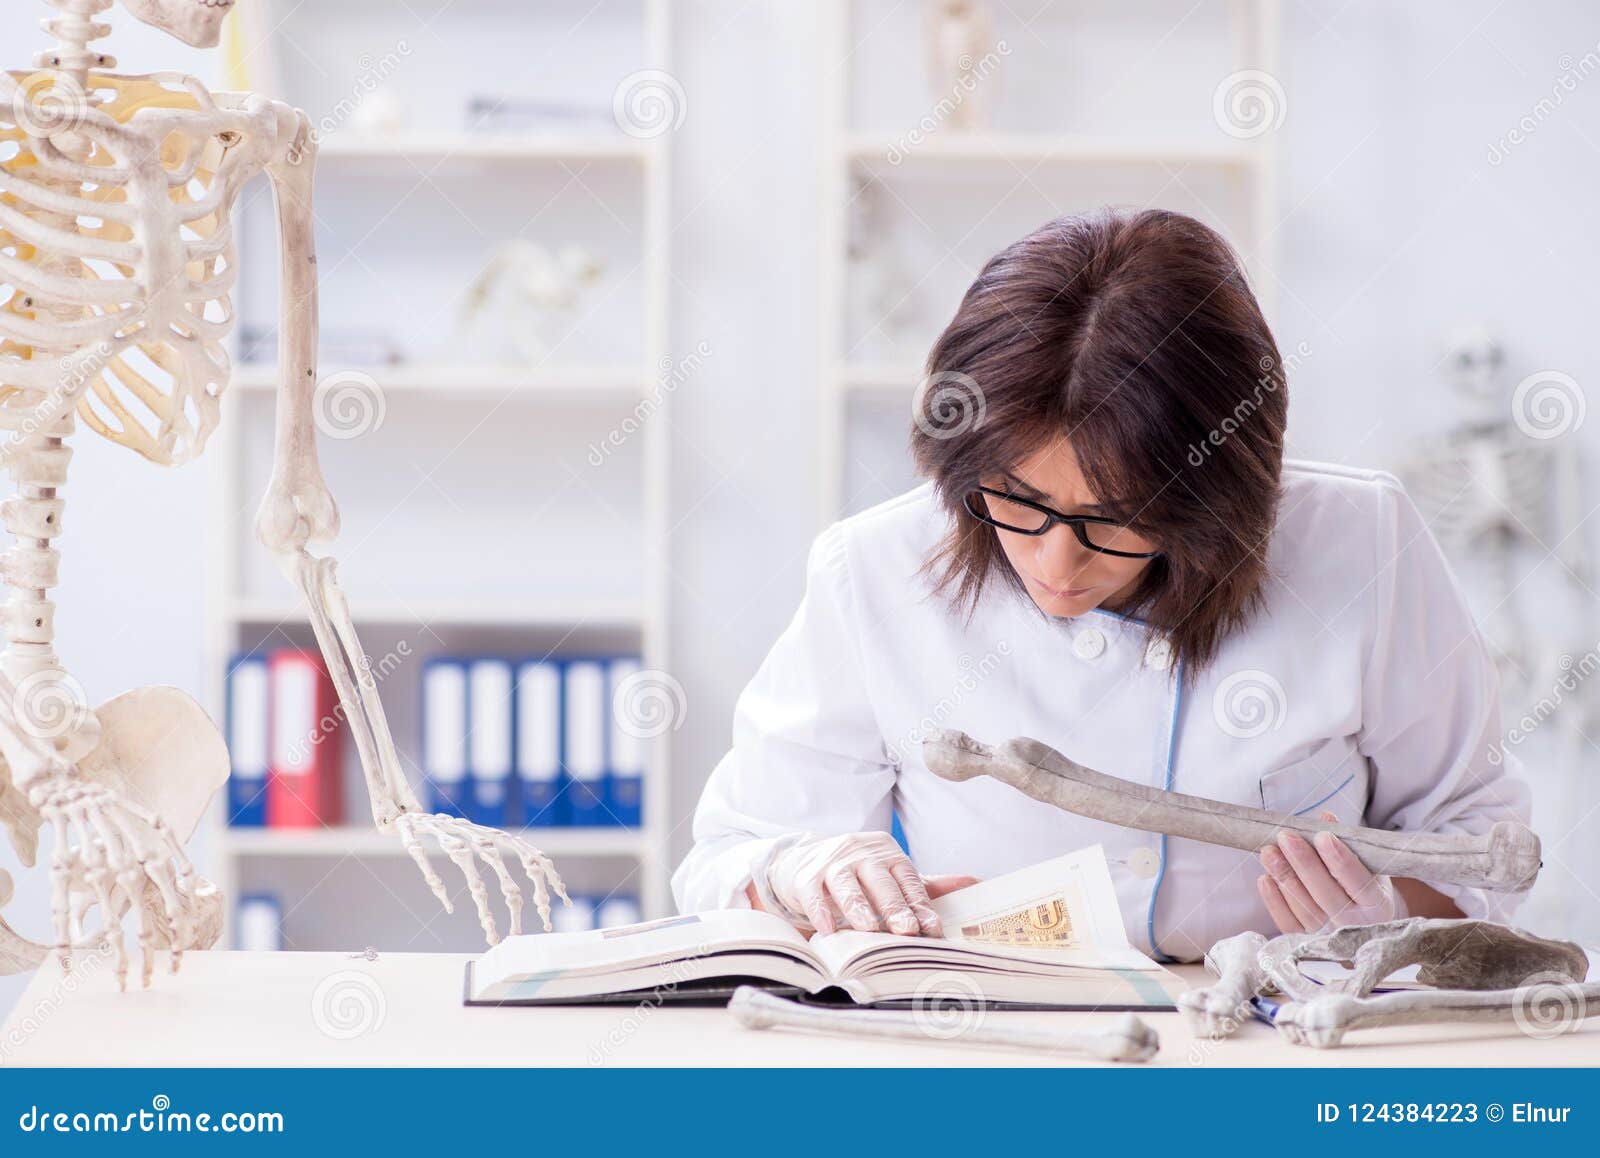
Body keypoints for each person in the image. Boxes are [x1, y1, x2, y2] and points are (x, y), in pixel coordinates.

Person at [671, 207, 1532, 961]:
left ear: (1218, 492)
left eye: (1113, 518)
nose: (1055, 564)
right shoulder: (876, 571)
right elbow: (721, 864)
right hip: (987, 1046)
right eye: (1018, 501)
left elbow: (1483, 851)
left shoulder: (1359, 545)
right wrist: (799, 871)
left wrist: (1386, 922)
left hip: (1280, 1044)